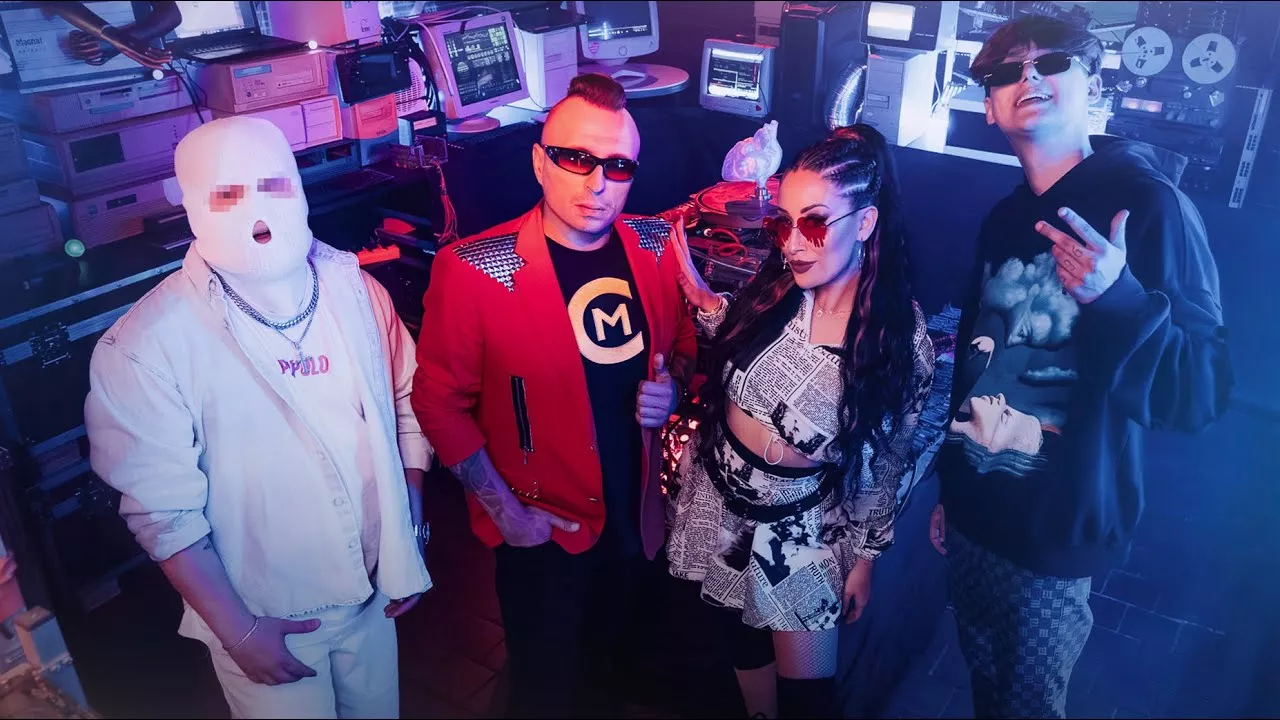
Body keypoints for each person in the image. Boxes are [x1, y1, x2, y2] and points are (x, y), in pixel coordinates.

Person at [929, 14, 1232, 718]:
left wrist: (1118, 297)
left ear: (1093, 84)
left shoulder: (1150, 205)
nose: (1028, 78)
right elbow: (977, 365)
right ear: (989, 106)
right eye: (1007, 72)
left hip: (1054, 533)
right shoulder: (1006, 216)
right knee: (987, 693)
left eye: (1051, 63)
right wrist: (952, 486)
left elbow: (1202, 391)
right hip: (975, 511)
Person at [84, 116, 432, 719]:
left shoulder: (356, 291)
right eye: (227, 195)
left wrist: (410, 533)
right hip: (268, 616)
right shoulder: (146, 345)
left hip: (376, 594)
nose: (258, 213)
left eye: (273, 186)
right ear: (191, 205)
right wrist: (239, 632)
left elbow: (406, 403)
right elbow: (163, 513)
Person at [411, 73, 697, 717]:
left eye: (617, 166)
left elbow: (682, 341)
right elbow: (438, 405)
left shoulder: (654, 244)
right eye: (576, 159)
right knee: (544, 693)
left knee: (614, 681)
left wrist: (673, 386)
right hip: (545, 533)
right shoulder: (475, 269)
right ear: (540, 163)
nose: (597, 184)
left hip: (640, 521)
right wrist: (506, 514)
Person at [665, 124, 936, 719]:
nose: (792, 243)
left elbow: (889, 461)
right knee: (740, 642)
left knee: (809, 700)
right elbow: (737, 342)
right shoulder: (779, 288)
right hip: (719, 497)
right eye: (781, 224)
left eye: (813, 223)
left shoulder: (897, 337)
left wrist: (864, 559)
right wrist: (700, 296)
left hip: (800, 527)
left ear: (864, 223)